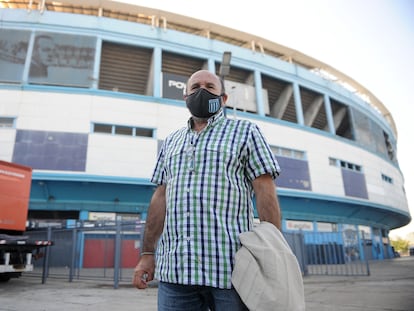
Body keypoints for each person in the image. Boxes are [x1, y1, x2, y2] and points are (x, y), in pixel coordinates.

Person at [132, 69, 282, 310]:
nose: (201, 91)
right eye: (195, 87)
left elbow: (265, 188)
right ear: (186, 97)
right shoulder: (171, 141)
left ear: (223, 98)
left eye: (210, 87)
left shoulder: (245, 132)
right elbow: (160, 197)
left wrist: (274, 252)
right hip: (175, 272)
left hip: (231, 271)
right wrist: (148, 254)